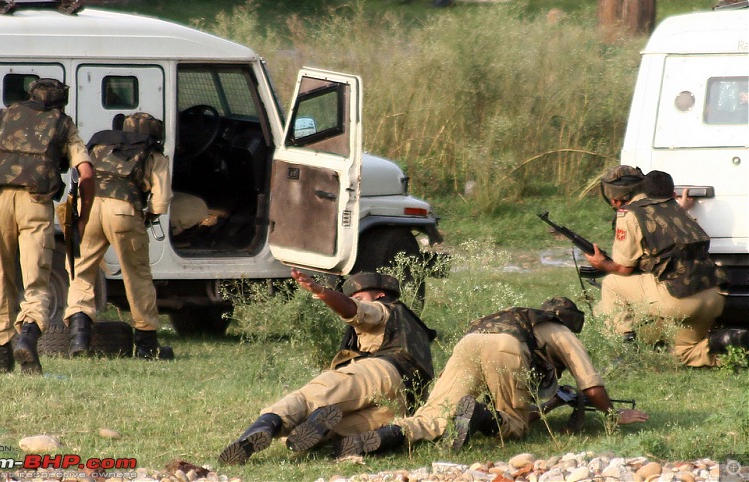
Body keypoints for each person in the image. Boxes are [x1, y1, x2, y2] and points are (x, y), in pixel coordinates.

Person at [334, 297, 649, 458]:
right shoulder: (560, 330)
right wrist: (611, 414)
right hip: (506, 349)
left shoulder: (514, 317)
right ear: (568, 320)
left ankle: (366, 440)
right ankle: (482, 416)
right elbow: (591, 385)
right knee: (514, 424)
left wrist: (551, 404)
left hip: (467, 343)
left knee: (433, 415)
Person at [218, 268, 436, 465]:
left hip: (379, 371)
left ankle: (262, 427)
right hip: (403, 402)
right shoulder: (416, 326)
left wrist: (320, 290)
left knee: (310, 397)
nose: (354, 300)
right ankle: (320, 431)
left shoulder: (382, 309)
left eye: (359, 296)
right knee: (333, 430)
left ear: (379, 295)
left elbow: (354, 310)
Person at [0, 78, 95, 374]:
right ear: (61, 102)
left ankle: (2, 359)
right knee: (36, 281)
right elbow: (85, 173)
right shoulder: (63, 123)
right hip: (35, 202)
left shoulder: (4, 116)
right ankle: (28, 337)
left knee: (0, 279)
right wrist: (83, 215)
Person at [586, 166, 747, 367]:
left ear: (614, 199)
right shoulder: (675, 207)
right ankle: (728, 343)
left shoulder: (628, 214)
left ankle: (625, 351)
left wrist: (601, 263)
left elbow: (623, 268)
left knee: (611, 283)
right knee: (684, 353)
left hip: (679, 298)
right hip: (714, 296)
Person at [63, 112, 173, 360]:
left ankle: (79, 339)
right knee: (137, 277)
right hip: (123, 211)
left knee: (80, 272)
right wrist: (148, 217)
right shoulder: (153, 154)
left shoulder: (100, 146)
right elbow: (161, 201)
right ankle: (146, 346)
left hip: (87, 207)